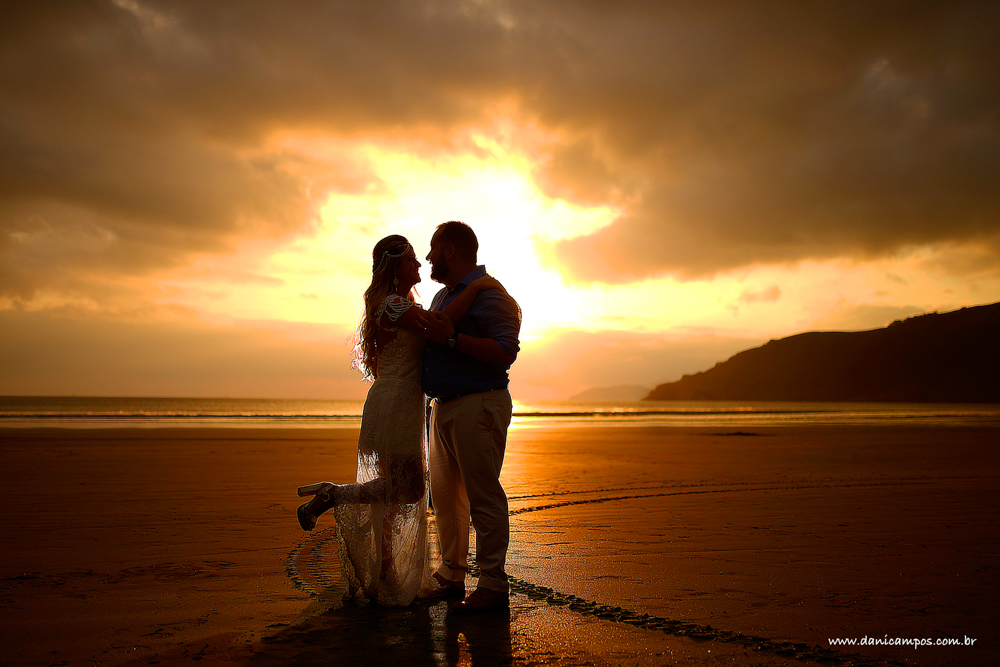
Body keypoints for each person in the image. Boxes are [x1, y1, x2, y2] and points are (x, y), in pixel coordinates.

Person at [295, 234, 504, 606]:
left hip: (403, 401)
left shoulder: (402, 302)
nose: (419, 265)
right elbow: (439, 324)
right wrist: (477, 287)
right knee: (407, 490)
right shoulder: (393, 305)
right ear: (395, 268)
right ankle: (335, 495)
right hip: (395, 401)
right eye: (411, 259)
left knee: (395, 491)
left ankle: (385, 567)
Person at [420, 221, 521, 613]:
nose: (428, 256)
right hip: (445, 406)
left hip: (478, 402)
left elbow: (505, 350)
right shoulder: (445, 295)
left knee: (482, 495)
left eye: (433, 248)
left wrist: (452, 339)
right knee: (446, 499)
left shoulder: (491, 294)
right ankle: (451, 574)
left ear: (450, 251)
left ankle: (493, 583)